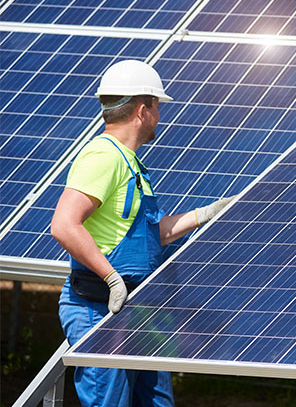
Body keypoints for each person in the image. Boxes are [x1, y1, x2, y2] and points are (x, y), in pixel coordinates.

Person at [51, 60, 233, 407]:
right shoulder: (103, 157)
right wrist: (111, 277)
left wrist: (204, 214)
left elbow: (155, 234)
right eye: (158, 107)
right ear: (143, 109)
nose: (159, 115)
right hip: (100, 308)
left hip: (140, 311)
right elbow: (63, 224)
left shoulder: (130, 162)